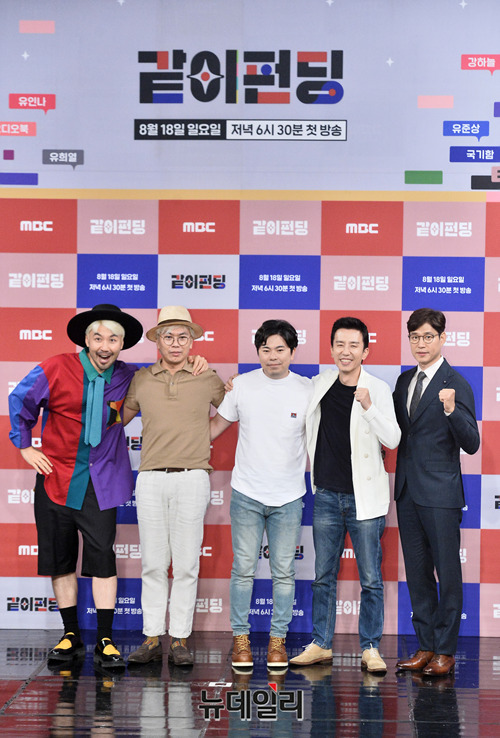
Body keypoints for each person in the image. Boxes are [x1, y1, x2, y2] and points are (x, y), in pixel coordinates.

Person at [8, 304, 144, 669]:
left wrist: (197, 366)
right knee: (61, 559)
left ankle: (105, 639)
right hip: (56, 478)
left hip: (102, 482)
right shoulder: (55, 367)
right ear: (86, 340)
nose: (104, 346)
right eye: (98, 338)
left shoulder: (130, 376)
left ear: (122, 344)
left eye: (113, 339)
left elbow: (166, 380)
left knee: (102, 559)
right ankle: (70, 634)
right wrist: (24, 446)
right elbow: (20, 400)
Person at [289, 317, 401, 672]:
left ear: (366, 351)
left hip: (364, 499)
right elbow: (281, 384)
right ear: (331, 348)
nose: (346, 351)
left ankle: (370, 647)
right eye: (340, 344)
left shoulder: (377, 388)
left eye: (354, 345)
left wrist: (368, 407)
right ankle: (321, 644)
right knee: (323, 575)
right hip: (325, 495)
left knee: (371, 578)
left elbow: (393, 439)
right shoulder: (319, 384)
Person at [123, 306, 225, 667]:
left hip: (193, 477)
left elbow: (234, 408)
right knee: (153, 563)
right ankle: (152, 637)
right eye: (169, 336)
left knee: (185, 564)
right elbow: (116, 419)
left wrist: (206, 435)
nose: (176, 343)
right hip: (150, 478)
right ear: (158, 341)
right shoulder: (141, 379)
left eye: (183, 336)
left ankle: (180, 638)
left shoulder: (206, 376)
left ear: (192, 342)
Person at [210, 319, 313, 670]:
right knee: (243, 569)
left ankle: (277, 641)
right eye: (266, 349)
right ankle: (240, 639)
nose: (273, 356)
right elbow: (214, 427)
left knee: (284, 572)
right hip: (247, 495)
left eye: (280, 349)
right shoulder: (241, 385)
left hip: (288, 497)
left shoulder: (307, 389)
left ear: (292, 352)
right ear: (258, 352)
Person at [393, 308, 480, 676]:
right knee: (417, 574)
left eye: (428, 336)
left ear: (443, 338)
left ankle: (445, 650)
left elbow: (472, 443)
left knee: (447, 572)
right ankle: (426, 645)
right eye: (415, 337)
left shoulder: (456, 382)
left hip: (441, 494)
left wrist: (451, 410)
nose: (421, 343)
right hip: (407, 492)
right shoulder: (403, 381)